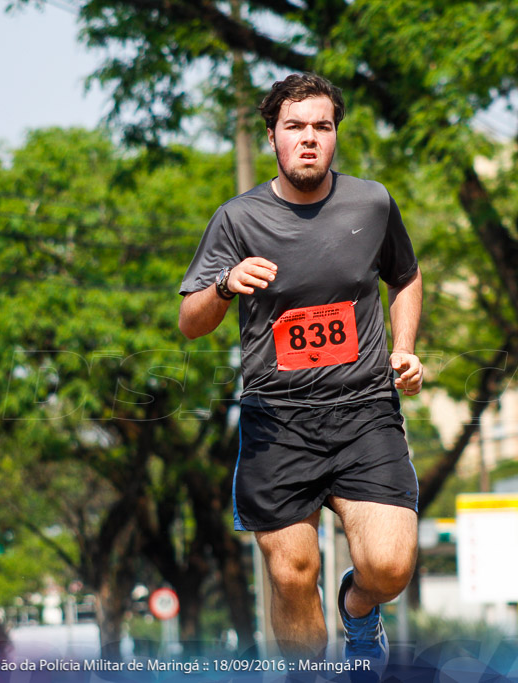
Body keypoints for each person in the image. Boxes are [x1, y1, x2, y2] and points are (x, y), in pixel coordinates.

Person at [178, 73, 424, 668]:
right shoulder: (236, 220)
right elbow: (190, 320)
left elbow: (405, 277)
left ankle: (358, 608)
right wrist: (224, 284)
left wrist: (407, 347)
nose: (309, 139)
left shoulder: (371, 201)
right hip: (278, 422)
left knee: (389, 567)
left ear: (335, 134)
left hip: (365, 411)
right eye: (295, 127)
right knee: (292, 574)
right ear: (273, 137)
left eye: (322, 126)